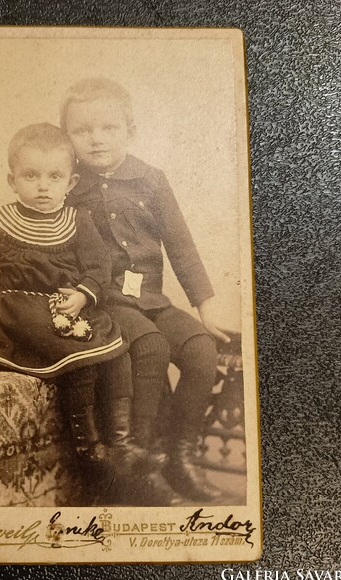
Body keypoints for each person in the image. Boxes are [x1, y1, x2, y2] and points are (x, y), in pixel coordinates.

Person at [0, 123, 157, 491]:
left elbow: (99, 267)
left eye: (55, 177)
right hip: (14, 311)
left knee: (113, 345)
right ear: (12, 180)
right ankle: (88, 448)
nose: (42, 186)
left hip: (63, 308)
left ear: (70, 183)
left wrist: (83, 294)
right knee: (78, 352)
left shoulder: (78, 221)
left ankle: (121, 441)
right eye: (30, 175)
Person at [58, 77, 231, 502]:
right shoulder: (65, 186)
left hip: (153, 299)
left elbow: (181, 246)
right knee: (149, 344)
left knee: (200, 349)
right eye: (82, 130)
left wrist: (205, 307)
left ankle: (180, 456)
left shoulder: (151, 180)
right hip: (105, 304)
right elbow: (40, 240)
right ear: (68, 137)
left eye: (108, 128)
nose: (96, 139)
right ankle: (138, 461)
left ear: (130, 131)